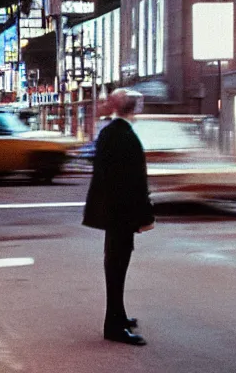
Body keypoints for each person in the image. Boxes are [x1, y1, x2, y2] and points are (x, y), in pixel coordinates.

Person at [83, 88, 155, 346]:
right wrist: (144, 213)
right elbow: (133, 180)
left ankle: (118, 316)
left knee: (116, 266)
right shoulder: (123, 135)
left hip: (114, 211)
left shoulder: (111, 132)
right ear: (133, 108)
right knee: (116, 267)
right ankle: (113, 324)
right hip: (120, 212)